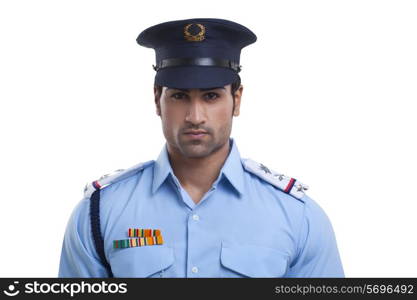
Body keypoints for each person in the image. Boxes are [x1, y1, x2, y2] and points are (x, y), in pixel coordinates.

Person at [58, 18, 344, 278]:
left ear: (237, 99)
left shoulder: (297, 216)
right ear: (157, 99)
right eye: (180, 96)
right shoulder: (100, 211)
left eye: (211, 96)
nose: (195, 116)